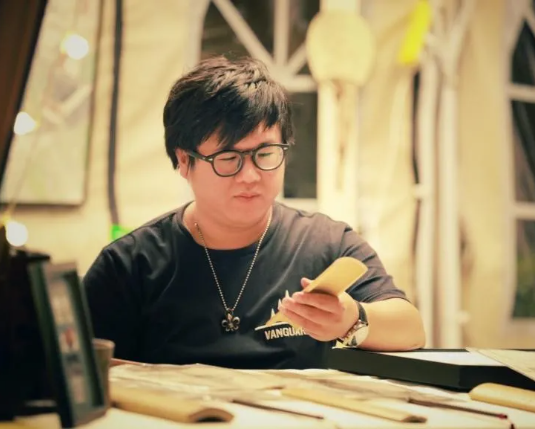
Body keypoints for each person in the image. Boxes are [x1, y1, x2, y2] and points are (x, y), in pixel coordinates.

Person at [83, 56, 425, 370]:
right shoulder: (130, 265)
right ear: (184, 161)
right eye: (228, 158)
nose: (250, 176)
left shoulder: (325, 243)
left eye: (265, 154)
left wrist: (352, 319)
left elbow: (411, 330)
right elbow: (80, 372)